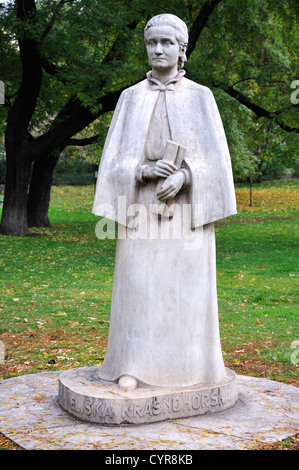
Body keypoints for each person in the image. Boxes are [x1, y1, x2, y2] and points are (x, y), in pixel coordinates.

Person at [92, 14, 237, 391]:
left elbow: (217, 165)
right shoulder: (130, 99)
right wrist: (142, 171)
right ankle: (134, 365)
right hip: (141, 210)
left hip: (187, 216)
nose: (158, 49)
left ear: (182, 49)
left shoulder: (200, 97)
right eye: (152, 42)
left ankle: (191, 365)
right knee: (140, 286)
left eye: (167, 43)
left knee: (184, 291)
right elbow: (112, 164)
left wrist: (185, 176)